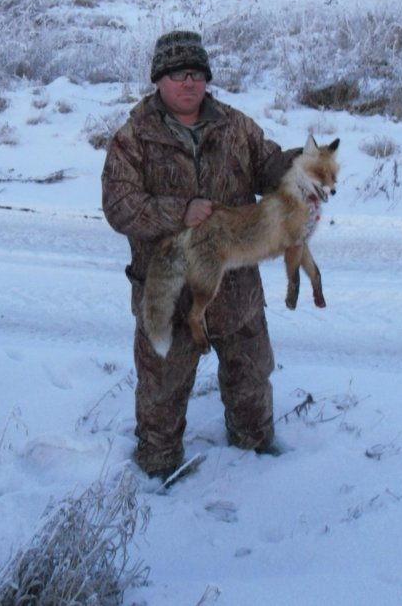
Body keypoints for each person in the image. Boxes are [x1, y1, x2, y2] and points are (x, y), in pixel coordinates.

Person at [101, 29, 299, 480]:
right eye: (176, 74)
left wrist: (298, 169)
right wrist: (179, 211)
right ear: (158, 80)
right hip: (168, 293)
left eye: (195, 74)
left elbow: (267, 169)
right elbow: (119, 207)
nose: (188, 83)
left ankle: (255, 452)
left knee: (250, 378)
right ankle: (158, 467)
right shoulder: (133, 138)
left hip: (236, 291)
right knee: (161, 391)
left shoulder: (236, 126)